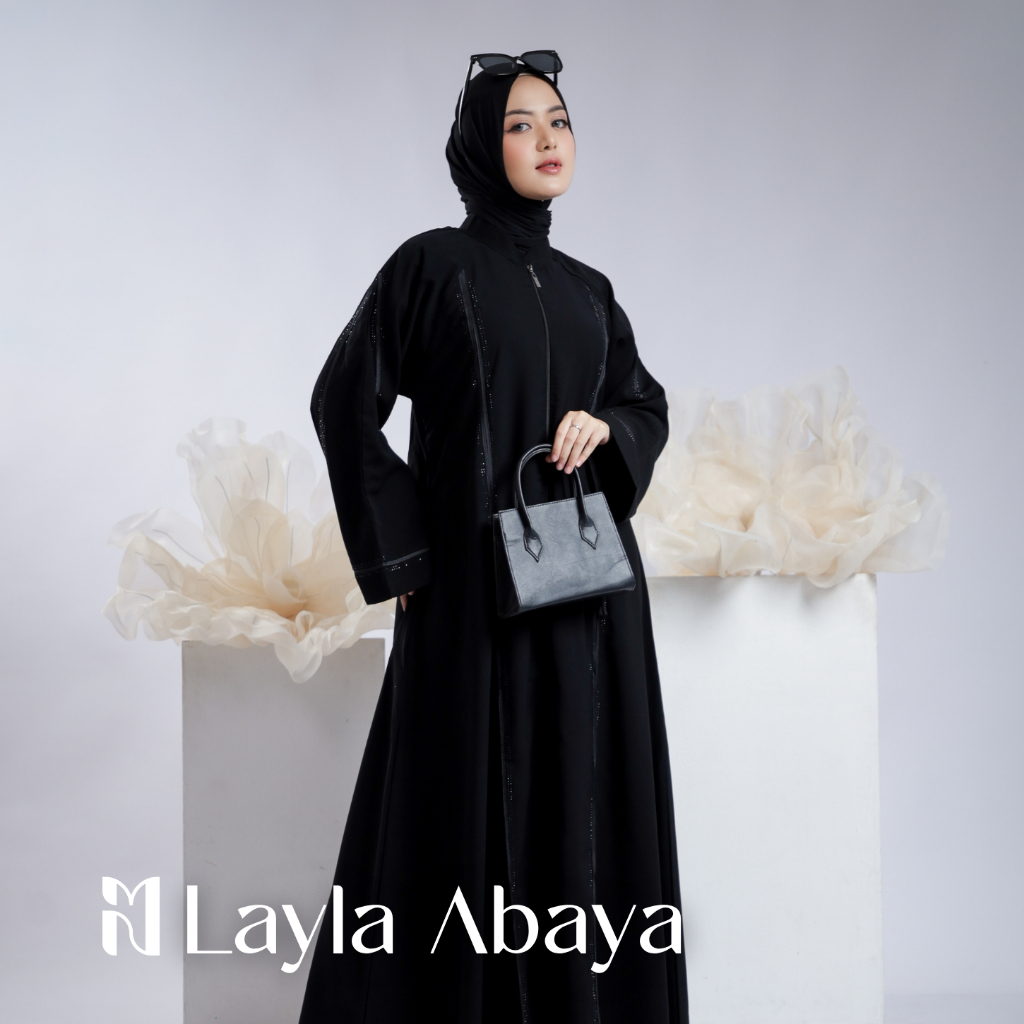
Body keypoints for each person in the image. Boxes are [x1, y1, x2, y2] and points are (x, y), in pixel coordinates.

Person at [299, 52, 688, 1024]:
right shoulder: (431, 265)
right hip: (471, 588)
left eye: (559, 120)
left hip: (586, 587)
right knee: (464, 791)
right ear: (481, 145)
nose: (548, 139)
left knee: (583, 786)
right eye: (520, 124)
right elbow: (343, 398)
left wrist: (609, 428)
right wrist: (403, 554)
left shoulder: (590, 289)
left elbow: (643, 404)